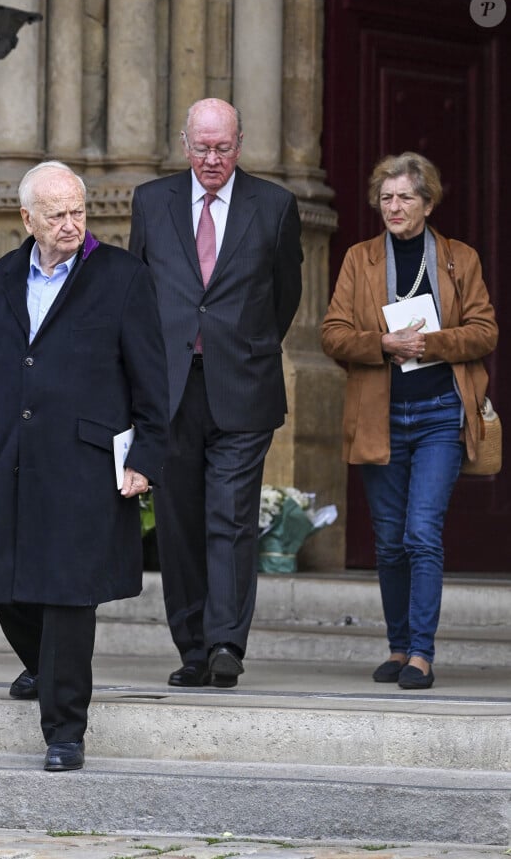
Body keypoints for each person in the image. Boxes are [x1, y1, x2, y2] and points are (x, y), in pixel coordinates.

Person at [0, 161, 169, 770]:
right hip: (13, 454)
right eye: (57, 213)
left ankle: (65, 731)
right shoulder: (1, 278)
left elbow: (151, 378)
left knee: (66, 594)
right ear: (26, 219)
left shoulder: (122, 277)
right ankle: (45, 667)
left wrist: (146, 456)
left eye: (78, 211)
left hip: (85, 461)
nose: (70, 223)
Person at [129, 98, 303, 688]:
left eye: (222, 148)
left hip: (242, 385)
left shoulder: (275, 205)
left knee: (229, 516)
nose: (211, 159)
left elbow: (285, 295)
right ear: (184, 144)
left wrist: (244, 347)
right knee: (178, 522)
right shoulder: (151, 202)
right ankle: (192, 648)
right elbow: (137, 291)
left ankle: (226, 642)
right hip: (169, 389)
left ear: (241, 143)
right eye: (201, 147)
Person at [321, 152, 498, 689]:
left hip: (441, 412)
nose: (393, 207)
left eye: (405, 198)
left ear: (427, 202)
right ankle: (398, 648)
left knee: (422, 532)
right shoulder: (359, 259)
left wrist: (431, 342)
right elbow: (332, 333)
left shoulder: (458, 258)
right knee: (390, 541)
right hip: (379, 414)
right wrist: (383, 342)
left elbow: (485, 331)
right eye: (386, 198)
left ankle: (422, 653)